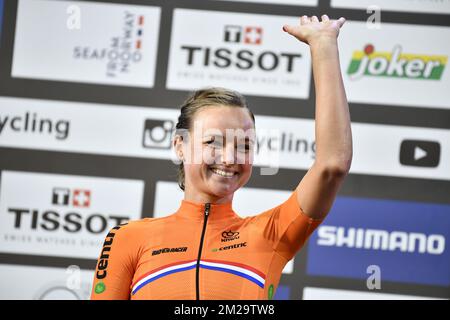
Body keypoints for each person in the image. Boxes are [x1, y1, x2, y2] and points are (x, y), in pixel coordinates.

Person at [91, 14, 352, 300]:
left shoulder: (270, 234)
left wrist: (324, 46)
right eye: (213, 141)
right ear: (180, 145)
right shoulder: (129, 238)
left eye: (243, 145)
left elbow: (332, 165)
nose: (229, 158)